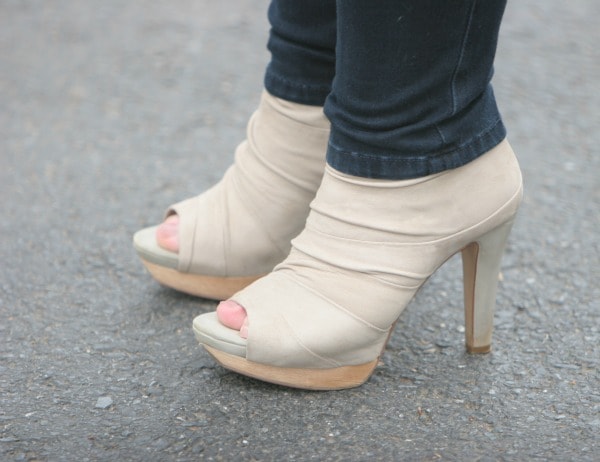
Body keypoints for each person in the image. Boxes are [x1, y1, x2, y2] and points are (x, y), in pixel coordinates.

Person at [134, 0, 523, 390]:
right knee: (316, 64)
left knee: (407, 112)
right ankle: (316, 96)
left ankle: (429, 148)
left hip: (430, 149)